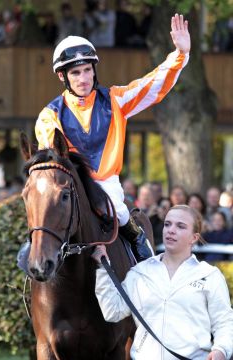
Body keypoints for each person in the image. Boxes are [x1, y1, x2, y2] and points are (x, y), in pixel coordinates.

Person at [35, 13, 191, 262]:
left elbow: (152, 85)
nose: (84, 78)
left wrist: (180, 55)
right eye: (76, 73)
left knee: (118, 211)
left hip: (107, 186)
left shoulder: (116, 100)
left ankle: (144, 256)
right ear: (62, 77)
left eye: (88, 70)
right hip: (69, 187)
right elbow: (52, 163)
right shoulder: (49, 116)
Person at [92, 205, 233, 360]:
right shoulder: (140, 272)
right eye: (167, 224)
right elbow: (113, 311)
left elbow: (224, 322)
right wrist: (103, 268)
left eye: (180, 226)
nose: (171, 230)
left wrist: (221, 350)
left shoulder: (209, 275)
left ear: (194, 237)